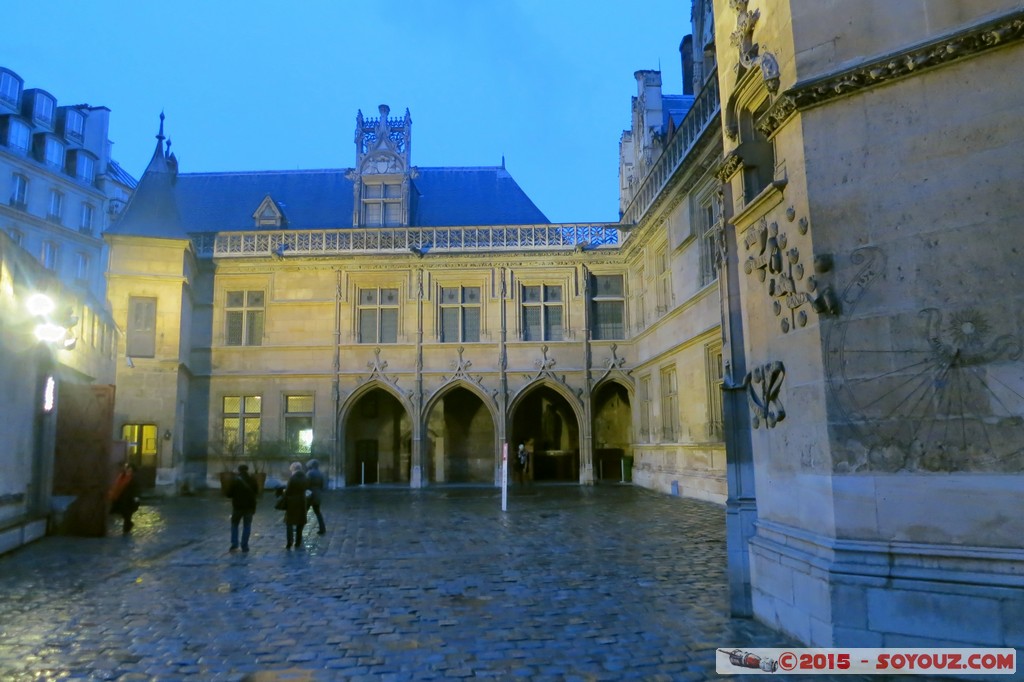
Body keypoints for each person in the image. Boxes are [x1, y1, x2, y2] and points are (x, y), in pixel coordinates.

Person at [228, 464, 258, 552]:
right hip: (249, 507)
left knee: (234, 525)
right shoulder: (252, 479)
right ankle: (245, 545)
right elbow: (256, 492)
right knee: (247, 526)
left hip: (237, 507)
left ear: (239, 470)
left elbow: (229, 493)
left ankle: (234, 544)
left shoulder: (235, 480)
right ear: (247, 470)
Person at [108, 462, 141, 534]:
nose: (128, 471)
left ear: (132, 471)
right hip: (120, 498)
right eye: (127, 469)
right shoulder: (121, 476)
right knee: (122, 513)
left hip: (130, 500)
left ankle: (126, 530)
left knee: (127, 514)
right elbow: (117, 486)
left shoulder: (133, 479)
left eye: (130, 470)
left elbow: (136, 489)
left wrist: (136, 497)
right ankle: (129, 524)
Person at [282, 461, 308, 550]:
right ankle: (298, 542)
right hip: (302, 501)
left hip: (292, 502)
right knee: (300, 523)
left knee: (289, 523)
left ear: (293, 469)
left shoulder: (292, 478)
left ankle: (289, 542)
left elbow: (288, 491)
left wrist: (284, 492)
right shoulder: (305, 477)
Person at [306, 459, 327, 535]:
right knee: (318, 512)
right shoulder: (321, 473)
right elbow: (323, 486)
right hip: (318, 494)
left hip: (310, 495)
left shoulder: (309, 473)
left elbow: (306, 484)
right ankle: (322, 528)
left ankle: (299, 527)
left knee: (304, 511)